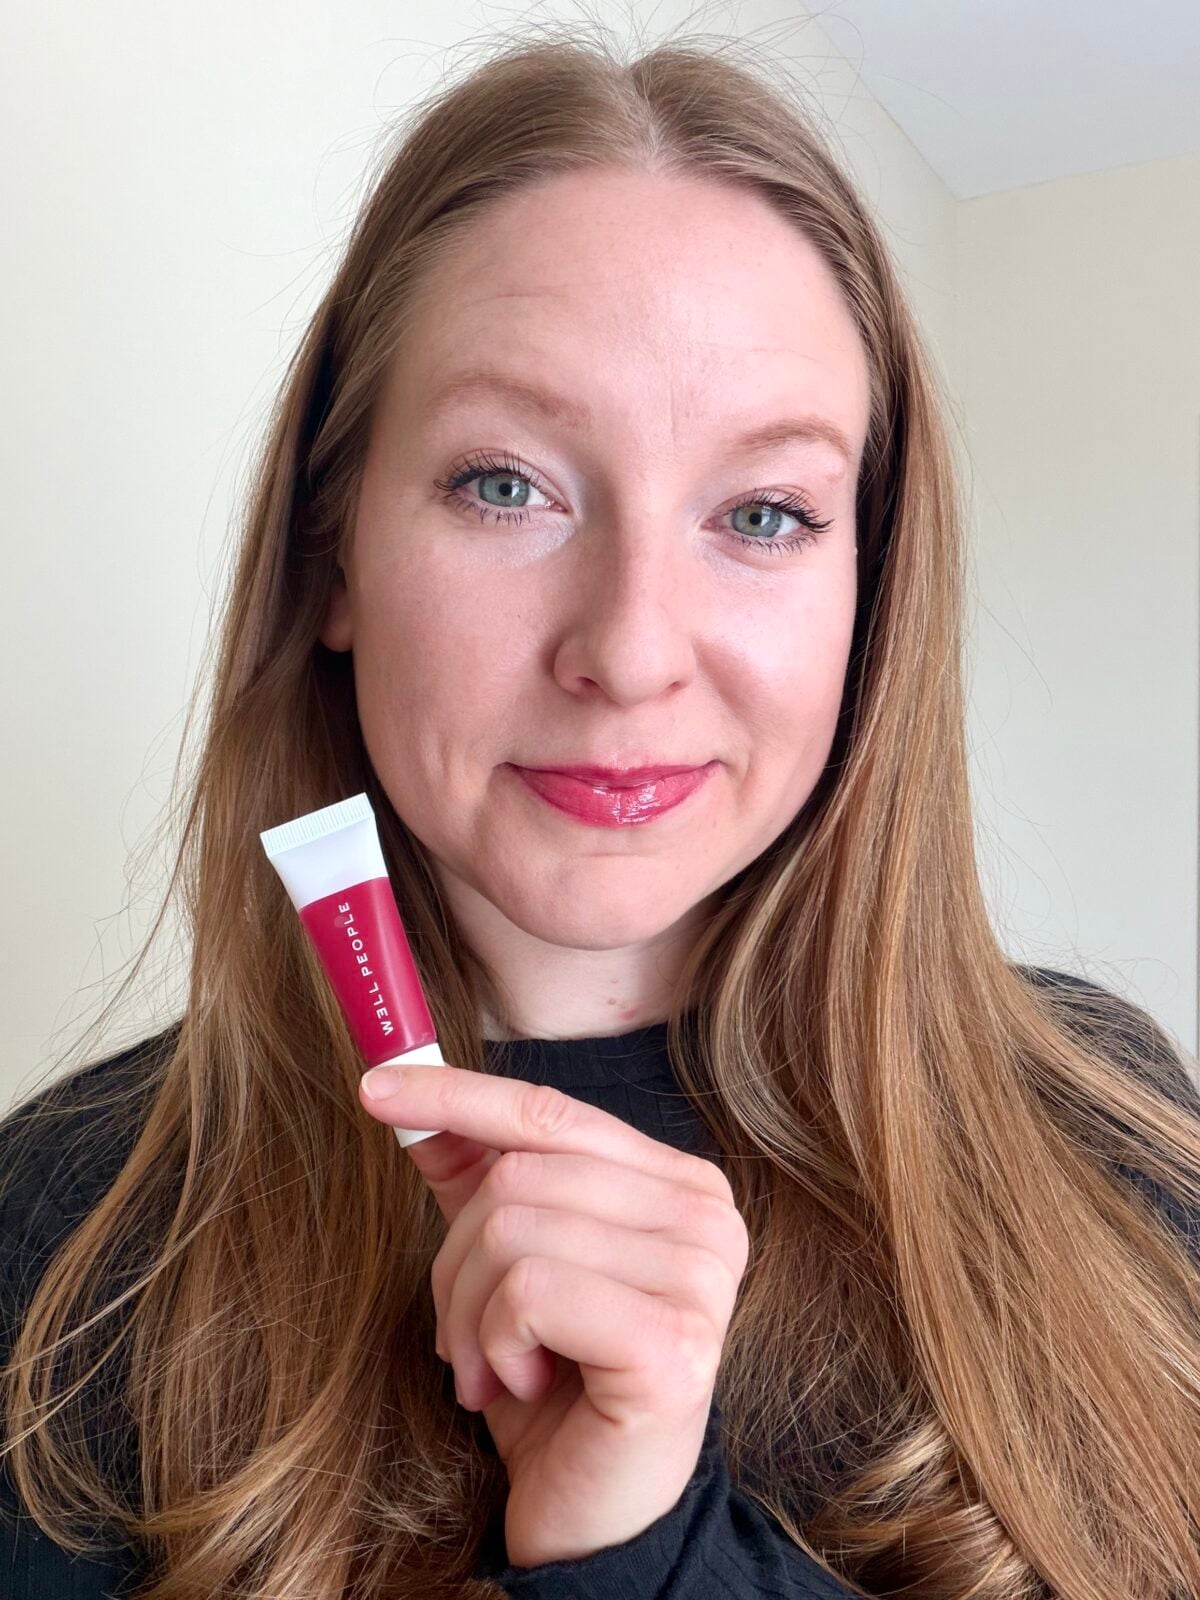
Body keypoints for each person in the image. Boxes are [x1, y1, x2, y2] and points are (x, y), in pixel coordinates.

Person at [3, 20, 1199, 1600]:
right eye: (506, 484)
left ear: (870, 589)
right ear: (332, 553)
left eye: (763, 512)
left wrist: (647, 1555)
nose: (632, 651)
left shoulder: (1107, 1130)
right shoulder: (59, 1247)